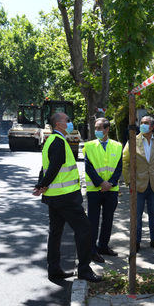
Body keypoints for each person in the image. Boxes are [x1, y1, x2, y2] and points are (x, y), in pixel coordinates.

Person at [33, 112, 102, 282]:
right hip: (65, 197)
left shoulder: (51, 140)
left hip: (54, 197)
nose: (70, 122)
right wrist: (42, 185)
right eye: (67, 120)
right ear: (58, 125)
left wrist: (41, 185)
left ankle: (54, 269)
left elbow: (45, 167)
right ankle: (84, 270)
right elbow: (54, 167)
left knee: (55, 232)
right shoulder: (58, 141)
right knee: (85, 229)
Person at [123, 116, 154, 252]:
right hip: (138, 184)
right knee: (136, 215)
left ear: (152, 127)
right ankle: (136, 241)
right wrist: (129, 182)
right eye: (142, 123)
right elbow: (125, 161)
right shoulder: (133, 141)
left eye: (146, 123)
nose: (143, 125)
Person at [84, 118, 123, 263]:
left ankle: (103, 246)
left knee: (108, 219)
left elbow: (119, 167)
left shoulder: (118, 146)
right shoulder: (89, 146)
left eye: (99, 128)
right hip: (95, 189)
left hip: (111, 190)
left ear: (107, 129)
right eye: (96, 128)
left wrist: (110, 183)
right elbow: (88, 167)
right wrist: (101, 183)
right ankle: (92, 250)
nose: (97, 131)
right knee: (92, 221)